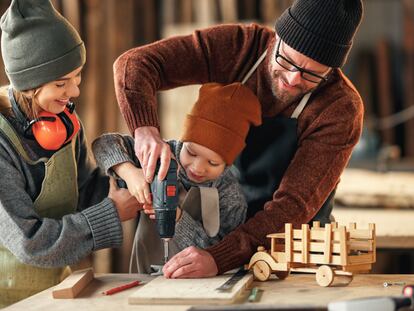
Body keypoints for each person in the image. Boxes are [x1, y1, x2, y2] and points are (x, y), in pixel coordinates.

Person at [112, 0, 364, 278]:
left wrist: (220, 258)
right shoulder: (239, 47)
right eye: (287, 60)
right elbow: (135, 63)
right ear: (276, 37)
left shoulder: (340, 108)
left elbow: (292, 207)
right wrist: (144, 129)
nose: (293, 80)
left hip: (293, 253)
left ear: (331, 70)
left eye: (312, 74)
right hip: (221, 231)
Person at [0, 0, 141, 306]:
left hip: (51, 293)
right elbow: (30, 243)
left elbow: (85, 191)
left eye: (77, 76)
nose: (75, 91)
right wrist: (112, 214)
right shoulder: (2, 143)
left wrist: (131, 184)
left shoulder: (65, 122)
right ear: (28, 86)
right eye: (61, 83)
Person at [92, 82, 261, 273]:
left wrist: (179, 220)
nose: (197, 167)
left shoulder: (231, 195)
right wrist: (129, 172)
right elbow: (103, 144)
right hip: (143, 274)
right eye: (191, 152)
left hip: (200, 284)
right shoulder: (161, 154)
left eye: (213, 163)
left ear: (228, 163)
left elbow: (222, 253)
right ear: (183, 140)